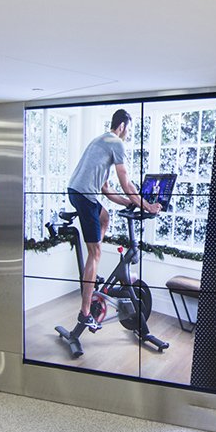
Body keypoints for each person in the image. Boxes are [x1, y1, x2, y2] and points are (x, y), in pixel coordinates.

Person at [66, 109, 161, 330]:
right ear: (121, 126)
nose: (128, 134)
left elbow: (107, 190)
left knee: (105, 217)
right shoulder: (116, 143)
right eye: (128, 129)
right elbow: (126, 182)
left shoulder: (100, 141)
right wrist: (145, 205)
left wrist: (130, 203)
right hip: (85, 196)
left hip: (76, 191)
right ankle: (85, 312)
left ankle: (92, 268)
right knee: (95, 253)